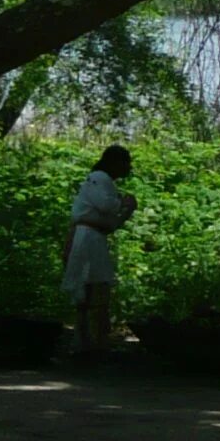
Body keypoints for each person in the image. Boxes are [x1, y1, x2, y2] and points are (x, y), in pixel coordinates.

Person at [60, 145, 138, 356]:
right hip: (87, 238)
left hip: (95, 238)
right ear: (114, 162)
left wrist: (127, 210)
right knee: (90, 287)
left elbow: (111, 224)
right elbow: (106, 205)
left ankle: (90, 341)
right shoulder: (99, 177)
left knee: (95, 288)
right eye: (125, 163)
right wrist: (123, 202)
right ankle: (87, 342)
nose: (128, 168)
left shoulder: (105, 183)